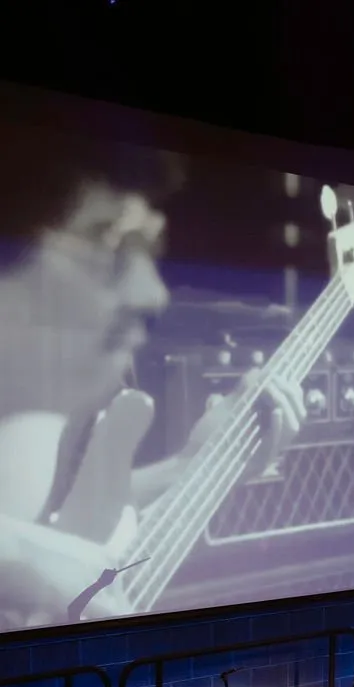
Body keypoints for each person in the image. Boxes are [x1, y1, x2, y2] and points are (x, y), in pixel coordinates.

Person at [0, 124, 305, 630]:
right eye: (107, 244)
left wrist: (194, 464)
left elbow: (61, 525)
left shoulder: (30, 445)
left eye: (151, 250)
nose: (152, 294)